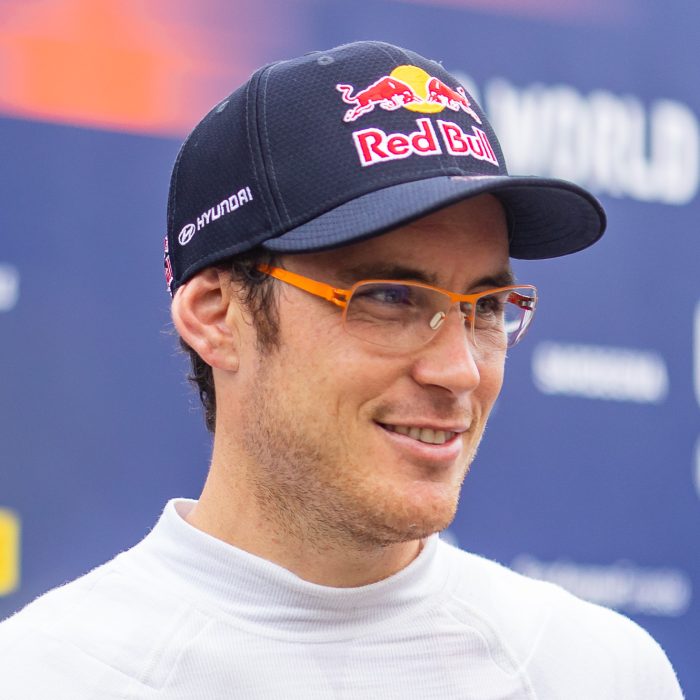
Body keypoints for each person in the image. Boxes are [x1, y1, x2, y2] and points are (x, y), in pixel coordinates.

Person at [0, 40, 683, 699]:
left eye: (485, 307)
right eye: (389, 298)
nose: (460, 371)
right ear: (216, 315)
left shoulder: (600, 674)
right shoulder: (47, 678)